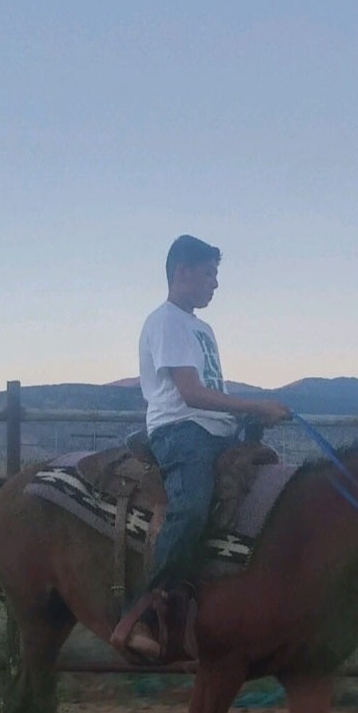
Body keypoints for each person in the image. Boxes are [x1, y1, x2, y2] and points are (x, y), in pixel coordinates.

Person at [112, 234, 290, 660]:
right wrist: (255, 405)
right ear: (182, 271)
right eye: (209, 274)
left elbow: (210, 389)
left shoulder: (201, 328)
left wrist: (244, 417)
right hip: (180, 429)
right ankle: (141, 615)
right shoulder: (166, 321)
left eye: (215, 274)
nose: (215, 283)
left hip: (213, 428)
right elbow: (191, 393)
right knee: (191, 507)